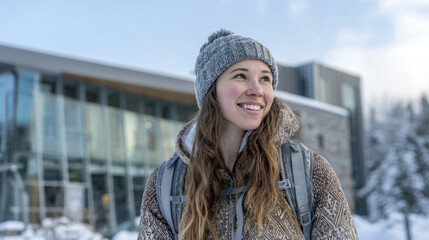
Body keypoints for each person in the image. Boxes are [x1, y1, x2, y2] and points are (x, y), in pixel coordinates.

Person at [138, 29, 358, 240]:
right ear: (211, 90)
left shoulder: (309, 171)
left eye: (265, 79)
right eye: (241, 76)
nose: (257, 90)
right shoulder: (165, 185)